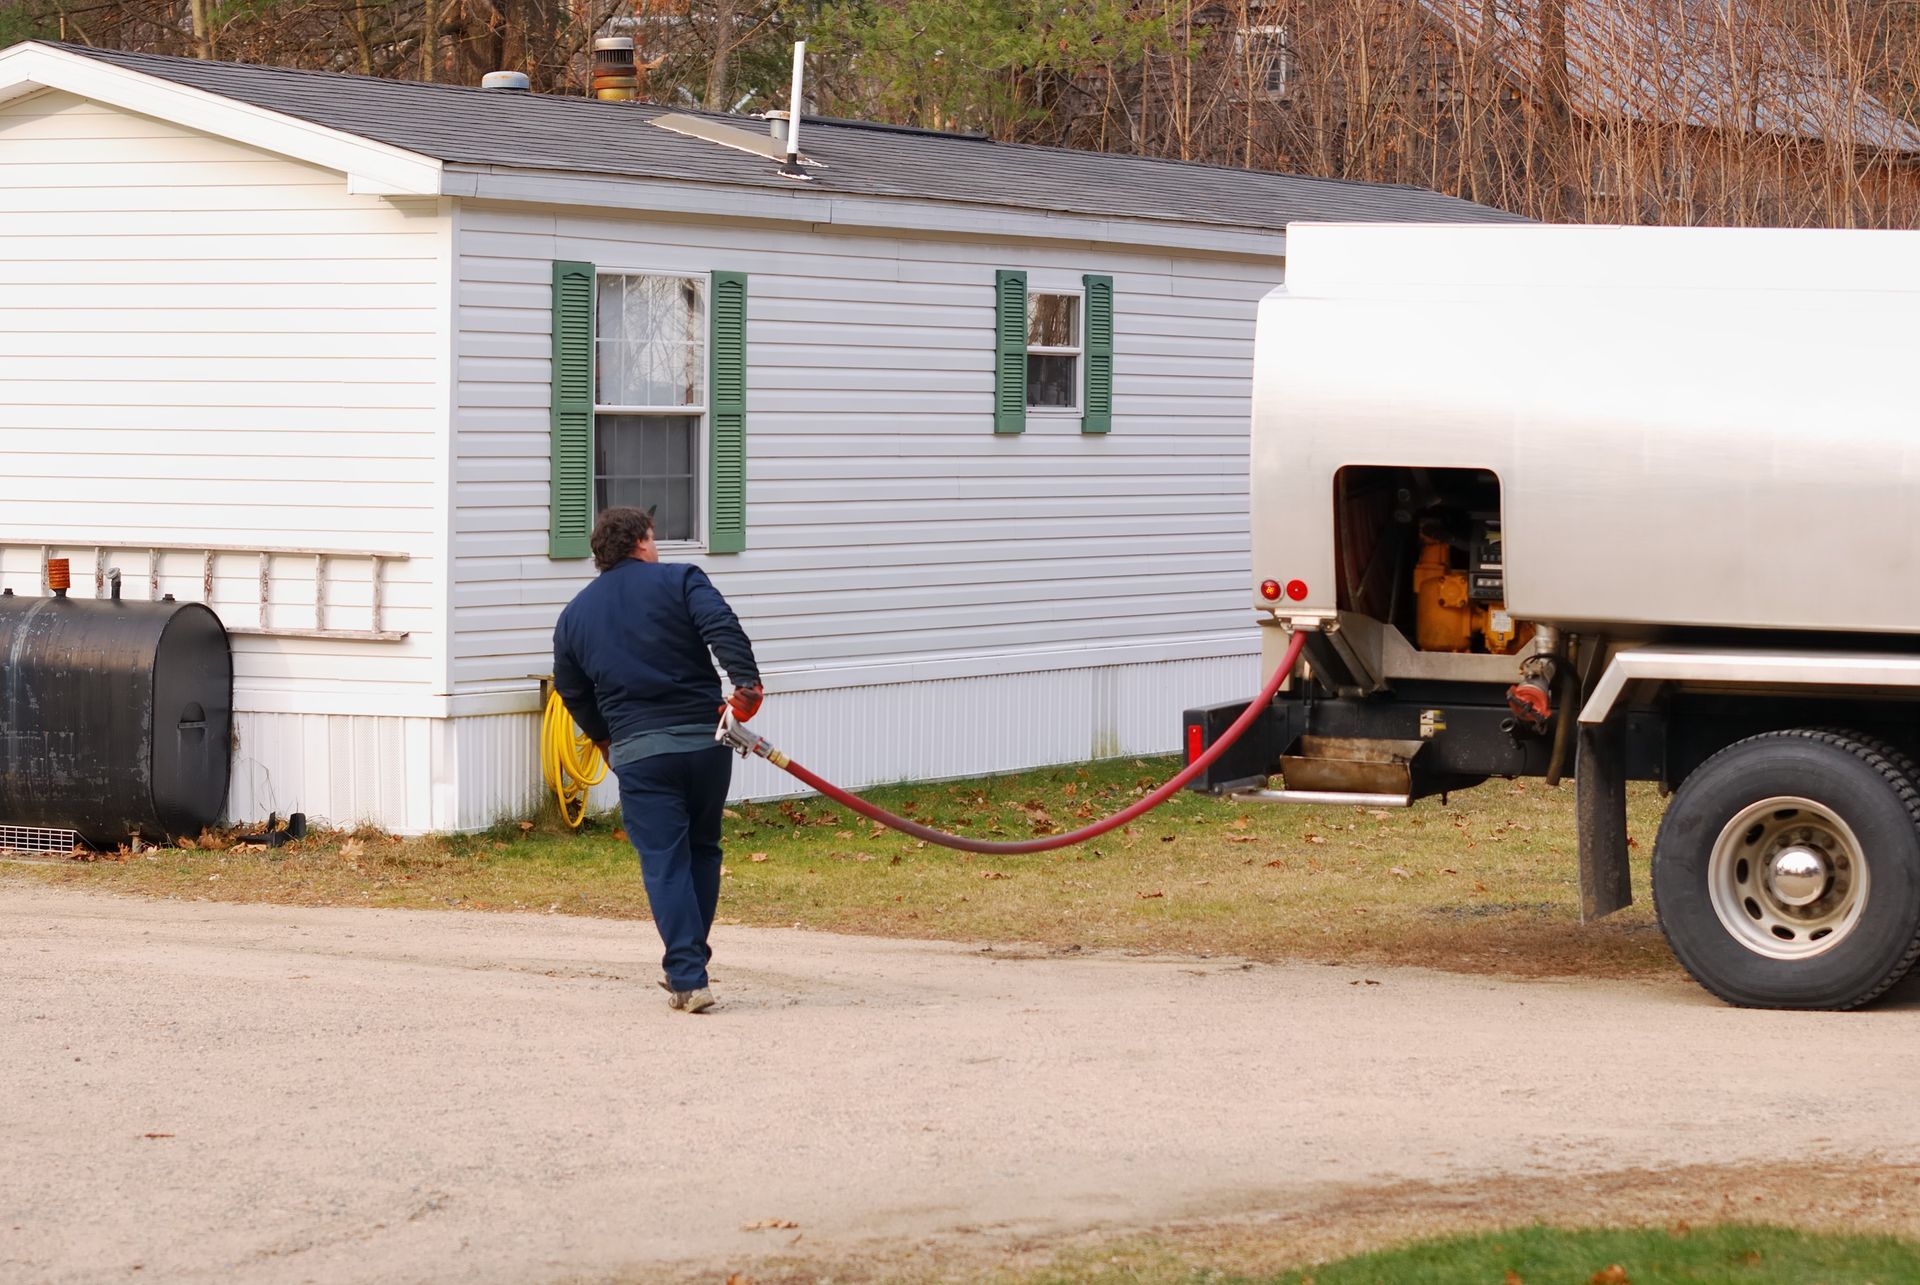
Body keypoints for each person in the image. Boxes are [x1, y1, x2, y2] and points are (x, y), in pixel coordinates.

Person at [551, 507, 763, 1014]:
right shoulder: (681, 580)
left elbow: (572, 689)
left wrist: (604, 738)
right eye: (654, 537)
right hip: (705, 744)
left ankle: (689, 975)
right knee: (703, 849)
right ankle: (688, 967)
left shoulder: (574, 616)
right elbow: (722, 625)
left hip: (640, 753)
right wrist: (746, 687)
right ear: (643, 542)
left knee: (666, 861)